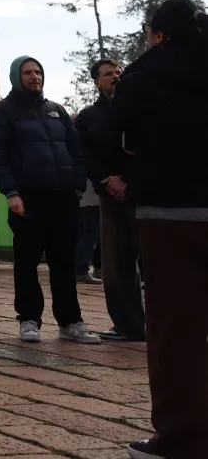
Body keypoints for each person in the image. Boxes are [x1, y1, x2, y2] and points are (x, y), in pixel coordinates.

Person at [112, 0, 208, 459]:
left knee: (175, 329)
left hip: (171, 214)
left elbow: (125, 140)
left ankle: (182, 438)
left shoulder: (144, 77)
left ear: (157, 34)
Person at [0, 56, 100, 344]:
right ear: (16, 77)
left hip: (63, 198)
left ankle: (70, 321)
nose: (34, 77)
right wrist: (11, 192)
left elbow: (76, 152)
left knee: (63, 262)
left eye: (38, 72)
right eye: (27, 72)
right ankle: (29, 319)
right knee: (27, 261)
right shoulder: (1, 112)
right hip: (27, 199)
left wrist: (76, 187)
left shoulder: (56, 111)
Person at [76, 58, 145, 341]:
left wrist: (127, 179)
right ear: (96, 81)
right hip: (109, 195)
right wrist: (107, 180)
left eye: (118, 71)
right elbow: (84, 154)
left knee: (155, 261)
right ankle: (128, 325)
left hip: (143, 192)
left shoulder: (141, 107)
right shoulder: (89, 117)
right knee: (116, 265)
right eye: (107, 74)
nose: (115, 76)